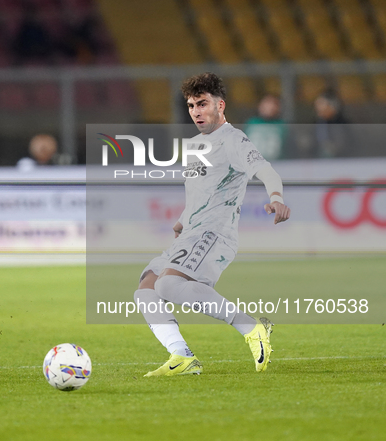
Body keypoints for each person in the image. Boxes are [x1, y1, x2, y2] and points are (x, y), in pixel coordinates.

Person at [134, 72, 291, 376]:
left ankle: (251, 327)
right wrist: (181, 222)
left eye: (203, 104)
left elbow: (266, 170)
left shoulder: (233, 139)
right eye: (192, 105)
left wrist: (276, 196)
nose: (196, 111)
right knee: (146, 289)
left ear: (221, 105)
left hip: (215, 233)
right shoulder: (195, 146)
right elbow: (197, 193)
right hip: (191, 232)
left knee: (168, 284)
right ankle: (181, 356)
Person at [244, 94, 287, 160]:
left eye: (273, 104)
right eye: (267, 103)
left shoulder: (282, 126)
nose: (269, 107)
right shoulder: (252, 123)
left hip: (277, 165)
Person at [313, 89, 350, 158]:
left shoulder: (342, 123)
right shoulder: (317, 123)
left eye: (321, 104)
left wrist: (334, 147)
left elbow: (346, 144)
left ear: (331, 107)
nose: (318, 108)